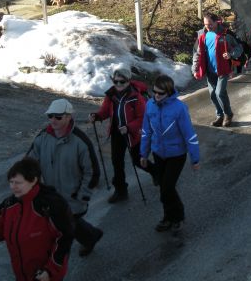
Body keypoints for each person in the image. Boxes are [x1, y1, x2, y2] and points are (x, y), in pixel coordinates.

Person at [29, 99, 103, 257]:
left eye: (58, 117)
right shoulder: (43, 137)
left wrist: (83, 195)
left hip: (73, 196)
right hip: (51, 195)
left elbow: (93, 172)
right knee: (65, 222)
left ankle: (84, 241)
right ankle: (91, 236)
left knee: (68, 223)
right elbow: (29, 163)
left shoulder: (81, 141)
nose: (53, 120)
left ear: (69, 117)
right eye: (50, 116)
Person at [0, 158, 74, 281]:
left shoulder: (50, 205)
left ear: (33, 180)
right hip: (21, 273)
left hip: (45, 275)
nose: (13, 187)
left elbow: (65, 238)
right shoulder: (8, 205)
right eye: (11, 182)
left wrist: (50, 271)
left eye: (18, 183)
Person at [140, 75, 200, 233]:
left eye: (160, 93)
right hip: (158, 152)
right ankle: (167, 218)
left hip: (176, 154)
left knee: (167, 188)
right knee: (163, 187)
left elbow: (189, 134)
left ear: (169, 92)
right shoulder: (150, 105)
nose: (156, 96)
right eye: (154, 92)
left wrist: (195, 158)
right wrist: (143, 154)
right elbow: (146, 131)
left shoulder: (179, 108)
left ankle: (178, 216)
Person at [89, 67, 155, 203]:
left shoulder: (135, 96)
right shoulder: (111, 95)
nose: (118, 84)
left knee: (138, 160)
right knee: (116, 162)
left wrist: (129, 127)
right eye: (115, 81)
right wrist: (97, 116)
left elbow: (142, 117)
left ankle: (157, 173)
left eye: (122, 82)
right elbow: (105, 111)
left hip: (132, 134)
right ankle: (120, 191)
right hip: (117, 133)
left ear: (128, 81)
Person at [192, 13, 242, 127]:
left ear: (216, 22)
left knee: (220, 92)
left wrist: (231, 54)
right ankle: (220, 115)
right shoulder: (202, 34)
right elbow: (197, 53)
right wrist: (195, 69)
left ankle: (228, 114)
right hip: (210, 71)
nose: (207, 26)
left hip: (223, 70)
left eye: (210, 24)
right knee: (213, 94)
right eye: (205, 24)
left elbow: (239, 48)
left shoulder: (226, 34)